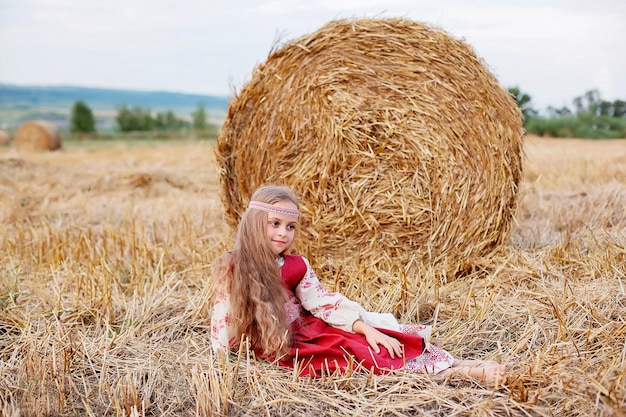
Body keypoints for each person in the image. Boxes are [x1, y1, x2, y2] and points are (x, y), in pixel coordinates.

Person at [210, 185, 506, 383]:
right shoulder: (234, 267)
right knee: (360, 358)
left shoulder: (296, 265)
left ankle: (456, 364)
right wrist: (225, 362)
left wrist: (365, 326)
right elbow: (224, 319)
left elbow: (321, 302)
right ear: (253, 222)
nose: (283, 233)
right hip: (286, 345)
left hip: (312, 330)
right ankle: (459, 374)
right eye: (274, 223)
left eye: (290, 227)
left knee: (373, 341)